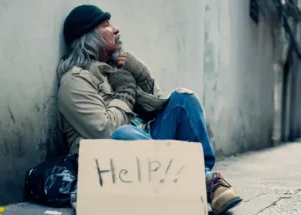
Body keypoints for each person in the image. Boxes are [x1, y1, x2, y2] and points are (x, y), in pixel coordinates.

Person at [57, 4, 242, 214]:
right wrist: (125, 91)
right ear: (89, 38)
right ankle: (204, 180)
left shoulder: (115, 69)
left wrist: (143, 77)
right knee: (125, 132)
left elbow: (157, 108)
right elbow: (106, 133)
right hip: (114, 166)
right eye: (106, 25)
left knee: (183, 99)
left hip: (148, 150)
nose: (116, 29)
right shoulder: (75, 81)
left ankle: (205, 176)